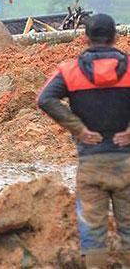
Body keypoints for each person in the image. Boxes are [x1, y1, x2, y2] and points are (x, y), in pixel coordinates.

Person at [37, 14, 130, 267]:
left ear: (85, 38)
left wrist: (79, 129)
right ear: (116, 37)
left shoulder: (70, 71)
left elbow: (45, 99)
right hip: (126, 163)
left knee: (92, 232)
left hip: (91, 163)